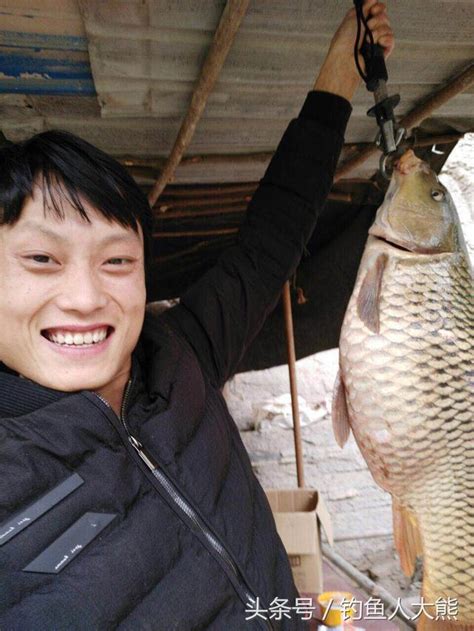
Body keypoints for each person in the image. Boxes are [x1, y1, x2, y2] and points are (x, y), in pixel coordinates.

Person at [0, 2, 393, 629]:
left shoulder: (178, 354)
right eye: (43, 258)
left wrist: (339, 64)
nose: (84, 296)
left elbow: (272, 237)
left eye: (117, 261)